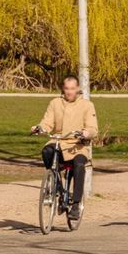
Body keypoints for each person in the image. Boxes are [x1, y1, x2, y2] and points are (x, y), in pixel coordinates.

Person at [31, 75, 99, 218]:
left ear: (77, 89)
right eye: (67, 89)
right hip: (59, 141)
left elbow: (93, 127)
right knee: (47, 152)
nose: (69, 92)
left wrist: (86, 133)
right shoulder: (55, 103)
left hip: (77, 144)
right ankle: (58, 186)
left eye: (72, 89)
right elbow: (47, 122)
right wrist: (39, 128)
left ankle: (76, 204)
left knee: (79, 164)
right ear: (63, 89)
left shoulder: (87, 105)